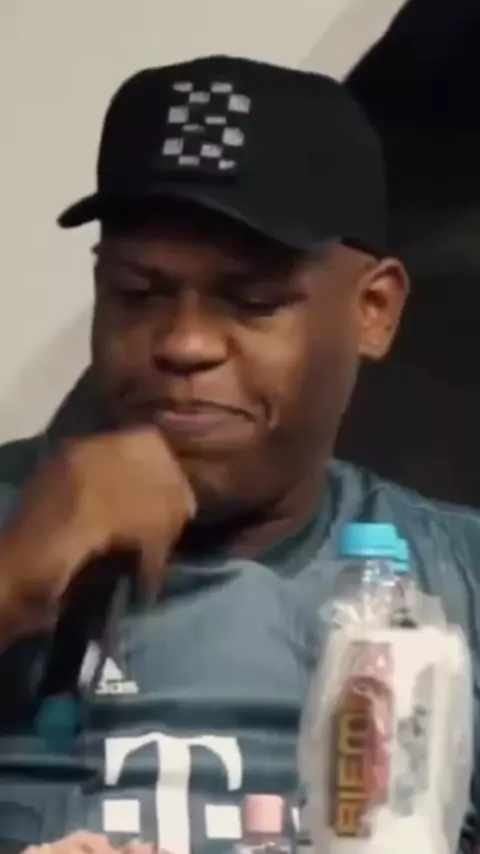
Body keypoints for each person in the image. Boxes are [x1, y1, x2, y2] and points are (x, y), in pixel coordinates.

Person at [0, 54, 478, 854]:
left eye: (252, 300)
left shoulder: (459, 578)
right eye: (138, 293)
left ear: (372, 310)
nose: (184, 342)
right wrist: (12, 584)